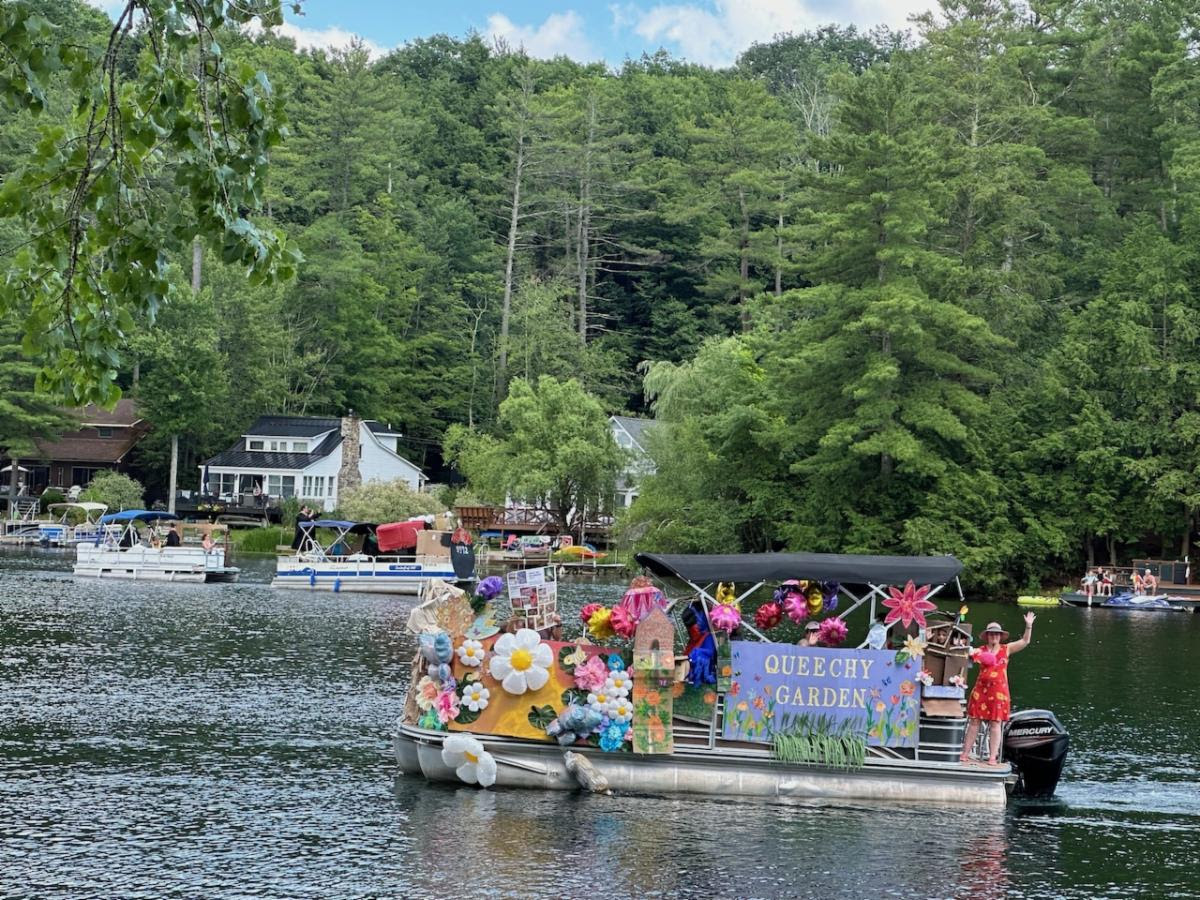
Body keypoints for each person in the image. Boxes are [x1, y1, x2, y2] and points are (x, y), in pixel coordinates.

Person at [959, 613, 1035, 767]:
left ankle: (992, 757)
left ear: (1000, 636)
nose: (994, 636)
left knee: (996, 723)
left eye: (997, 634)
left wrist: (1028, 625)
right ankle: (965, 753)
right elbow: (962, 653)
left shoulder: (1006, 649)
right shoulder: (979, 650)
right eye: (992, 634)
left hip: (999, 692)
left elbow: (1025, 641)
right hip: (981, 690)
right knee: (974, 722)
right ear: (987, 636)